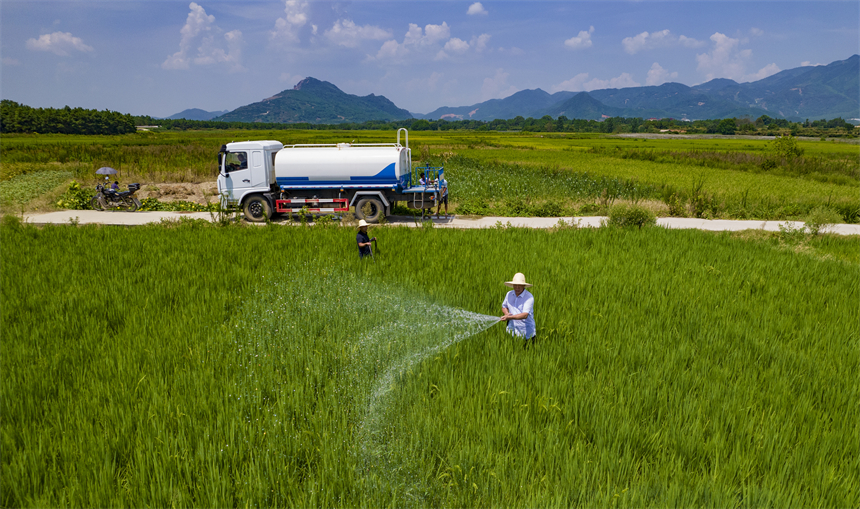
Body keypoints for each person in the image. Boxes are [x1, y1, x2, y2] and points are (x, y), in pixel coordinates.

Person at [500, 272, 536, 346]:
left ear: (524, 286)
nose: (517, 287)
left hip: (526, 333)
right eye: (515, 285)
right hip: (512, 331)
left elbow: (525, 315)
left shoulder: (529, 297)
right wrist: (506, 313)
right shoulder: (509, 294)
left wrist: (509, 317)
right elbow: (504, 306)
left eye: (519, 285)